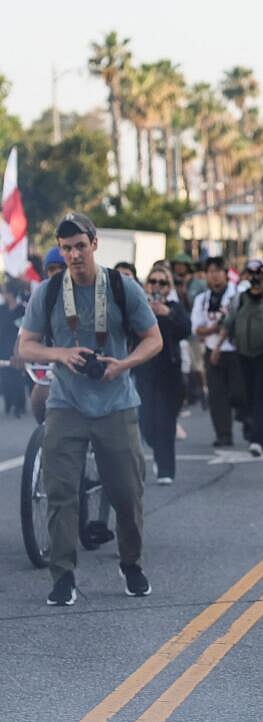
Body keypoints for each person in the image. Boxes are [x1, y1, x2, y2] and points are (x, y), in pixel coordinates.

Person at [17, 212, 163, 605]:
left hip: (116, 403)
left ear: (94, 244)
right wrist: (60, 353)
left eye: (80, 246)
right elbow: (26, 345)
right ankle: (62, 575)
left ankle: (131, 564)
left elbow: (153, 339)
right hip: (65, 405)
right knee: (60, 491)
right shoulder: (47, 291)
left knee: (127, 493)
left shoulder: (121, 286)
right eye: (66, 248)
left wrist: (123, 364)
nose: (74, 254)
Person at [134, 263, 190, 484]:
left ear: (169, 287)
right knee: (147, 422)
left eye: (162, 282)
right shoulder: (138, 305)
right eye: (153, 281)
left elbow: (187, 329)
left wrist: (168, 314)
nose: (157, 286)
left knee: (165, 422)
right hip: (145, 371)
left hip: (170, 374)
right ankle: (157, 447)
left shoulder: (175, 307)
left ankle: (166, 469)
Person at [223, 258, 263, 456]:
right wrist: (217, 348)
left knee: (259, 397)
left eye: (258, 274)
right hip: (242, 353)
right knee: (243, 395)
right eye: (251, 274)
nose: (254, 278)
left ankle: (258, 439)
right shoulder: (239, 298)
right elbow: (229, 322)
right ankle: (259, 436)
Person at [191, 256, 242, 448]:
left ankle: (244, 418)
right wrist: (216, 328)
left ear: (226, 273)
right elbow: (197, 329)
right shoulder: (201, 299)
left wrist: (216, 328)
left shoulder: (237, 294)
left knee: (238, 392)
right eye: (210, 272)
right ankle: (224, 434)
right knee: (217, 396)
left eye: (218, 271)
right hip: (212, 351)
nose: (214, 276)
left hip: (236, 351)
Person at [0, 277, 27, 416]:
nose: (3, 295)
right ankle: (8, 403)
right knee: (5, 377)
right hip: (3, 348)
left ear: (11, 293)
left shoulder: (22, 310)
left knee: (17, 376)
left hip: (17, 347)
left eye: (4, 292)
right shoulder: (1, 309)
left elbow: (24, 330)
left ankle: (19, 405)